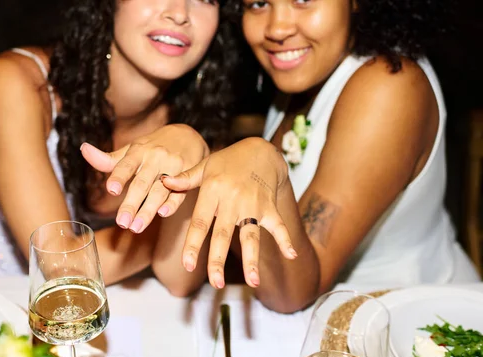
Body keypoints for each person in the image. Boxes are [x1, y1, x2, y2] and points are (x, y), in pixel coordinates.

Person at [85, 0, 480, 312]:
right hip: (339, 322)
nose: (276, 28)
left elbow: (293, 292)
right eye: (258, 3)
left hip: (422, 333)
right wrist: (202, 159)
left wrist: (258, 156)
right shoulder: (302, 76)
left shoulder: (389, 86)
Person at [0, 0, 241, 296]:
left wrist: (193, 161)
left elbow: (180, 282)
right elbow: (61, 266)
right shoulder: (17, 82)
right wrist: (170, 227)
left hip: (98, 309)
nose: (179, 13)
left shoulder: (196, 121)